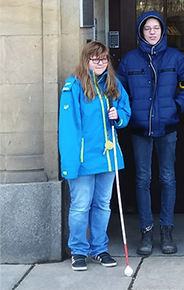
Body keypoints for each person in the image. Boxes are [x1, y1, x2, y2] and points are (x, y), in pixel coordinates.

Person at [117, 11, 184, 255]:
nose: (152, 32)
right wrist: (127, 114)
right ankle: (146, 232)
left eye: (156, 28)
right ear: (141, 32)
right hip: (140, 130)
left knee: (168, 179)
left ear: (163, 31)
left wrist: (176, 106)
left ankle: (167, 231)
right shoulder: (129, 61)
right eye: (147, 28)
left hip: (167, 128)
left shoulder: (175, 57)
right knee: (142, 180)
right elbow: (118, 91)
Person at [59, 41, 131, 271]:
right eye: (95, 59)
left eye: (103, 59)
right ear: (86, 60)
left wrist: (117, 115)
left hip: (107, 156)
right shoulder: (74, 86)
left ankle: (99, 248)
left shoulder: (114, 84)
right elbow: (68, 127)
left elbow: (126, 111)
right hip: (82, 158)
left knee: (102, 205)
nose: (100, 63)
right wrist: (70, 162)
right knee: (81, 205)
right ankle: (78, 251)